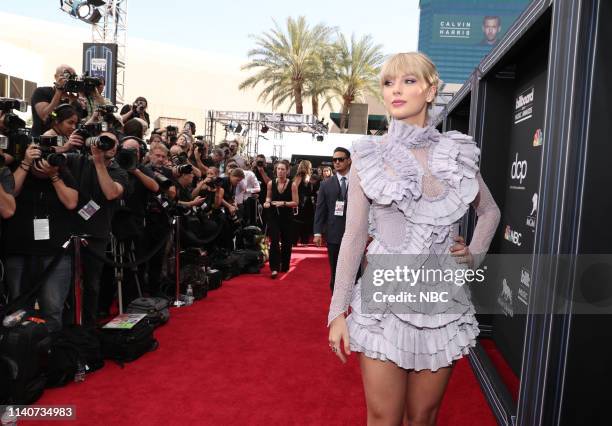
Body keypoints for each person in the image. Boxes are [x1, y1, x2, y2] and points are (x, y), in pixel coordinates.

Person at [327, 52, 500, 425]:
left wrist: (474, 255)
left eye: (407, 81)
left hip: (441, 300)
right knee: (383, 417)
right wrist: (336, 311)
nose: (396, 90)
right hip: (384, 300)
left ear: (430, 89)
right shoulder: (369, 155)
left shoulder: (456, 154)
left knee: (422, 417)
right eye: (388, 83)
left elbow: (490, 212)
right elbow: (354, 236)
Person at [4, 137, 79, 331]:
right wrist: (26, 163)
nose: (43, 161)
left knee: (53, 308)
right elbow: (9, 194)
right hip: (19, 250)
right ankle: (20, 354)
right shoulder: (18, 169)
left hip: (55, 253)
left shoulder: (61, 171)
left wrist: (54, 175)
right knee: (17, 308)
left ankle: (51, 353)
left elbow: (71, 202)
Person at [313, 147, 352, 292]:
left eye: (340, 159)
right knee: (335, 270)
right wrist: (317, 232)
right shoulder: (325, 184)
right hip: (333, 233)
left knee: (355, 271)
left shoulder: (358, 182)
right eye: (334, 159)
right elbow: (320, 210)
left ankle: (354, 305)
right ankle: (337, 307)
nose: (336, 162)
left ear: (349, 161)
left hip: (354, 234)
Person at [263, 160, 298, 279]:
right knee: (274, 240)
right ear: (275, 170)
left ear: (287, 171)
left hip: (287, 216)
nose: (280, 171)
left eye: (283, 169)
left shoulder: (292, 184)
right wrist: (267, 202)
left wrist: (283, 203)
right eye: (278, 169)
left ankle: (284, 265)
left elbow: (296, 202)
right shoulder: (270, 183)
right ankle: (274, 268)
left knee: (287, 242)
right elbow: (268, 196)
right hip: (274, 215)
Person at [30, 64, 78, 137]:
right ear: (56, 77)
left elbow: (70, 121)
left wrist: (72, 102)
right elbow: (46, 116)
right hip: (42, 140)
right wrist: (59, 91)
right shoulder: (41, 92)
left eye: (73, 77)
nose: (69, 80)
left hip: (63, 142)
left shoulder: (72, 98)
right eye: (66, 75)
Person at [293, 160, 315, 245]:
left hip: (307, 202)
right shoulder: (300, 175)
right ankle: (295, 240)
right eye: (310, 166)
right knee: (298, 222)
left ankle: (304, 241)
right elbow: (294, 188)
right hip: (301, 202)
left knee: (306, 222)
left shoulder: (308, 176)